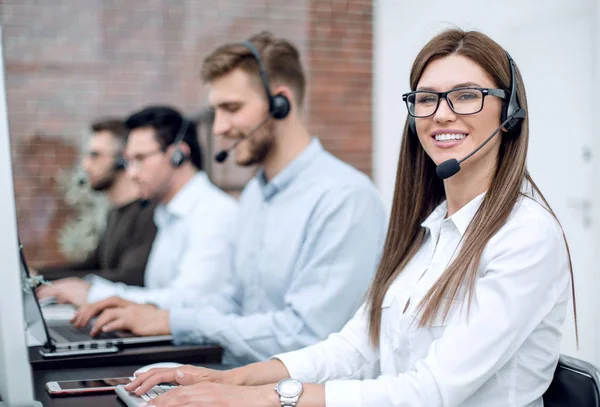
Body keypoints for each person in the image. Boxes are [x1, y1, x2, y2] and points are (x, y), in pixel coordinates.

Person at [125, 29, 575, 407]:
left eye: (466, 97)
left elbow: (432, 390)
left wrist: (267, 397)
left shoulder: (526, 235)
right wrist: (232, 380)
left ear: (510, 112)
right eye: (426, 99)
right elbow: (357, 346)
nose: (441, 114)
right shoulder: (429, 231)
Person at [71, 32, 388, 366]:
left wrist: (174, 322)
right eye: (215, 110)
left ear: (281, 104)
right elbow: (236, 301)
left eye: (232, 108)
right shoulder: (254, 195)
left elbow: (304, 336)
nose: (219, 128)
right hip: (240, 381)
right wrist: (150, 312)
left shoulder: (344, 197)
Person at [41, 106, 238, 310]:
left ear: (179, 154)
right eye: (128, 161)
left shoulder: (213, 213)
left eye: (140, 159)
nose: (132, 173)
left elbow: (188, 304)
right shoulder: (166, 213)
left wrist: (93, 294)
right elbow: (157, 294)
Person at [36, 118, 157, 306]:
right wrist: (38, 276)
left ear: (122, 160)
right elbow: (93, 264)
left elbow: (130, 277)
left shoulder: (150, 212)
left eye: (95, 155)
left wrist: (76, 286)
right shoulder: (115, 212)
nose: (86, 165)